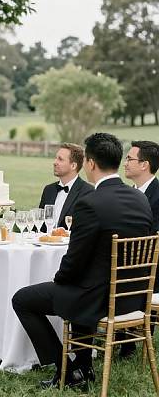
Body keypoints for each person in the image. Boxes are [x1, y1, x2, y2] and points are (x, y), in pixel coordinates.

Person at [12, 133, 152, 390]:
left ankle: (66, 368)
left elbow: (73, 262)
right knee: (81, 283)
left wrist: (59, 280)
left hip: (97, 298)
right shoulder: (140, 199)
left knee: (22, 299)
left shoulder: (90, 203)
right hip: (133, 297)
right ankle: (83, 366)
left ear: (89, 163)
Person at [119, 140, 159, 358]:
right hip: (127, 256)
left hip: (152, 263)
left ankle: (131, 337)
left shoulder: (158, 195)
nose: (125, 163)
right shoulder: (127, 192)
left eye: (129, 159)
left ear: (144, 165)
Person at [38, 143, 93, 231]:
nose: (55, 162)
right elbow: (39, 225)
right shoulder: (48, 190)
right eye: (56, 158)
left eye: (60, 159)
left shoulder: (88, 192)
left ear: (73, 166)